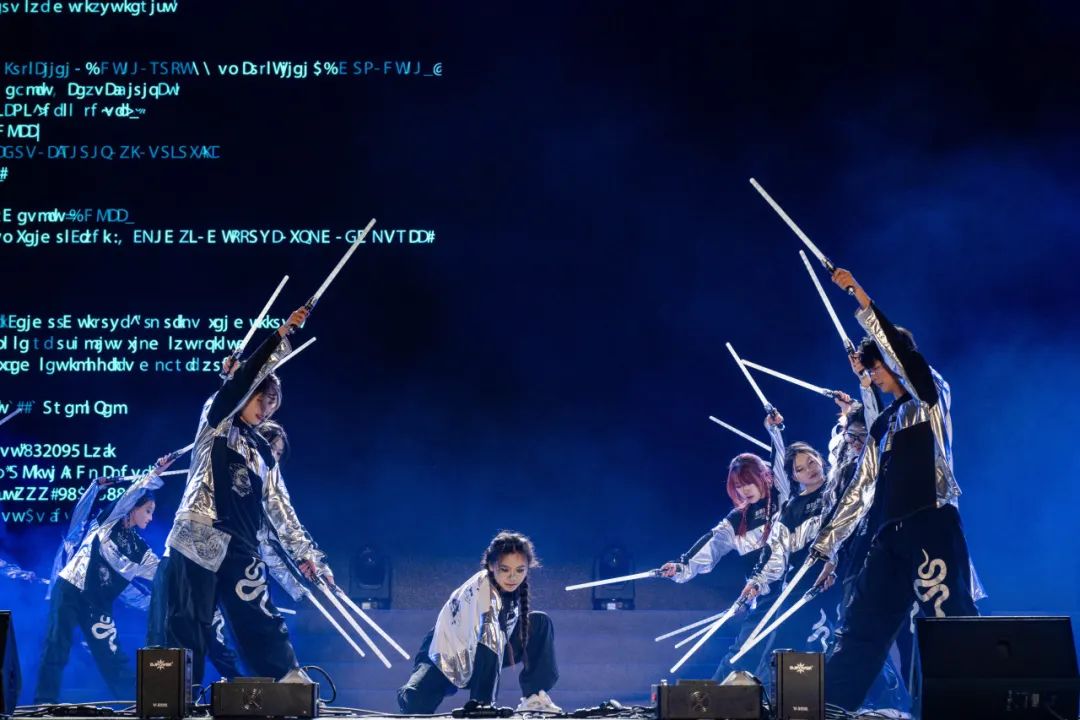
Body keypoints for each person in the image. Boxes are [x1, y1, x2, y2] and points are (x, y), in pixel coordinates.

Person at [811, 269, 978, 712]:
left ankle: (965, 708)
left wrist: (859, 296)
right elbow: (861, 488)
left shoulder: (930, 397)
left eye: (877, 366)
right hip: (889, 536)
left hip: (931, 525)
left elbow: (901, 355)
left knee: (946, 620)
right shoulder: (883, 424)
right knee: (861, 628)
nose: (873, 375)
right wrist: (826, 544)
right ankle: (832, 708)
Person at [161, 306, 333, 686]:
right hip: (198, 533)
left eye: (273, 404)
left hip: (240, 543)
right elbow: (238, 386)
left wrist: (308, 556)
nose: (266, 410)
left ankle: (286, 680)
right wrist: (281, 335)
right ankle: (177, 696)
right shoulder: (216, 420)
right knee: (190, 622)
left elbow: (281, 508)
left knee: (258, 612)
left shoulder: (263, 453)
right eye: (261, 400)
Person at [34, 457, 172, 703]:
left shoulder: (140, 551)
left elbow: (166, 572)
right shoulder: (109, 522)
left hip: (97, 606)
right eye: (148, 511)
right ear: (133, 508)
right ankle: (43, 704)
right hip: (70, 590)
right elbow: (133, 492)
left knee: (112, 656)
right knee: (56, 646)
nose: (151, 517)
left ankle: (135, 704)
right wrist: (157, 471)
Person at [398, 532, 560, 714]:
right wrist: (483, 705)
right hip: (447, 650)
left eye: (520, 570)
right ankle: (413, 695)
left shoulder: (512, 588)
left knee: (539, 623)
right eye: (505, 569)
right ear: (491, 565)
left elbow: (496, 643)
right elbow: (489, 641)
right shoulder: (484, 590)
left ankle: (535, 698)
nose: (513, 577)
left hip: (482, 658)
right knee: (415, 702)